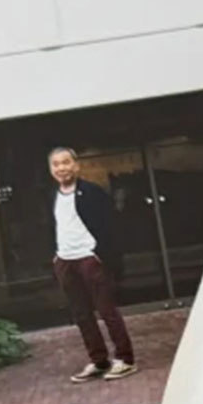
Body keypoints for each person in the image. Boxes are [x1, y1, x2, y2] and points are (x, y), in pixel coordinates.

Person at [47, 146, 136, 382]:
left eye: (66, 162)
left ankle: (125, 359)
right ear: (51, 170)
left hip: (90, 258)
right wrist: (56, 256)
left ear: (76, 166)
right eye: (56, 164)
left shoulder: (92, 192)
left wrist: (100, 254)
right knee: (81, 315)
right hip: (65, 260)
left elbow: (111, 225)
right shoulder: (52, 196)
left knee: (107, 310)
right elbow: (52, 227)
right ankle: (99, 360)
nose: (61, 168)